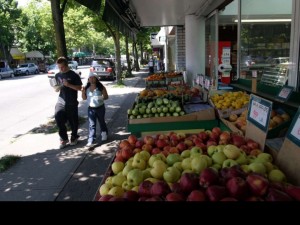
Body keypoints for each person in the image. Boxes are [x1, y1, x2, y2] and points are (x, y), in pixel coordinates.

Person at [53, 56, 82, 149]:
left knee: (73, 121)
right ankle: (63, 138)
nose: (61, 69)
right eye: (59, 67)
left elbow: (79, 88)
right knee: (58, 118)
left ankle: (74, 137)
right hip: (61, 101)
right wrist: (56, 88)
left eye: (62, 67)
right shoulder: (58, 75)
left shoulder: (74, 75)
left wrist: (68, 84)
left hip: (71, 101)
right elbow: (56, 88)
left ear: (67, 65)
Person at [81, 72, 109, 148]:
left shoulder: (100, 87)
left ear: (96, 79)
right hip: (91, 109)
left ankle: (104, 133)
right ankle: (91, 140)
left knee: (101, 121)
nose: (92, 79)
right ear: (88, 79)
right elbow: (84, 98)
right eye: (90, 78)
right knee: (92, 124)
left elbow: (106, 96)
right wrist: (83, 92)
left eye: (93, 78)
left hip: (100, 107)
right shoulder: (86, 88)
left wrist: (101, 98)